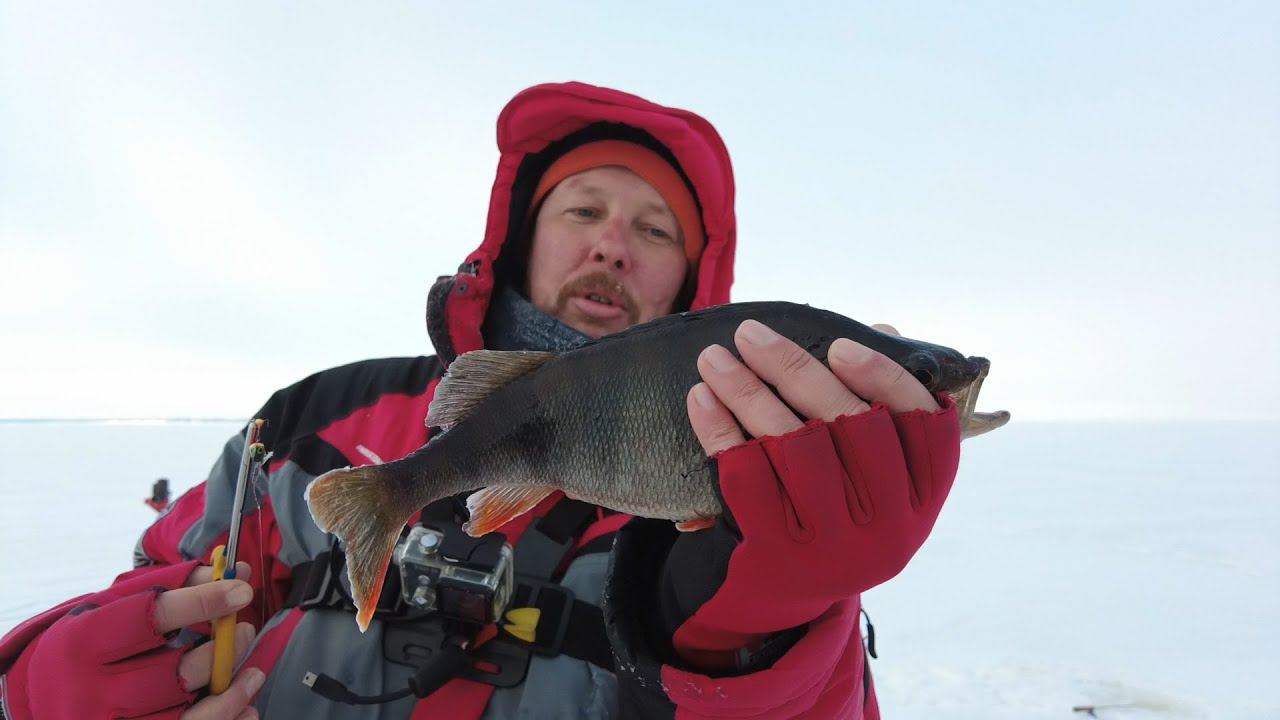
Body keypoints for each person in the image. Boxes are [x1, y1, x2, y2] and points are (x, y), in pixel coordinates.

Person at [0, 82, 960, 719]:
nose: (611, 246)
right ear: (518, 237)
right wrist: (46, 687)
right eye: (582, 210)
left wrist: (780, 621)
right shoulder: (310, 424)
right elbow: (165, 585)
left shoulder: (768, 483)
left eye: (655, 228)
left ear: (694, 282)